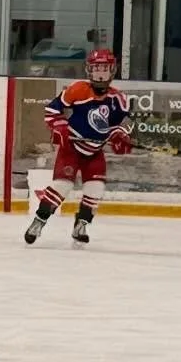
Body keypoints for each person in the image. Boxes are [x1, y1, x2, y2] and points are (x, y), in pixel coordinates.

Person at [24, 46, 132, 247]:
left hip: (95, 152)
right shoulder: (78, 90)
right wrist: (61, 127)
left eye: (105, 69)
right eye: (97, 69)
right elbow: (53, 109)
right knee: (62, 186)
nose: (100, 75)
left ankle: (81, 225)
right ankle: (39, 221)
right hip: (71, 149)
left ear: (112, 71)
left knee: (96, 188)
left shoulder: (119, 99)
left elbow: (122, 124)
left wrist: (120, 135)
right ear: (89, 70)